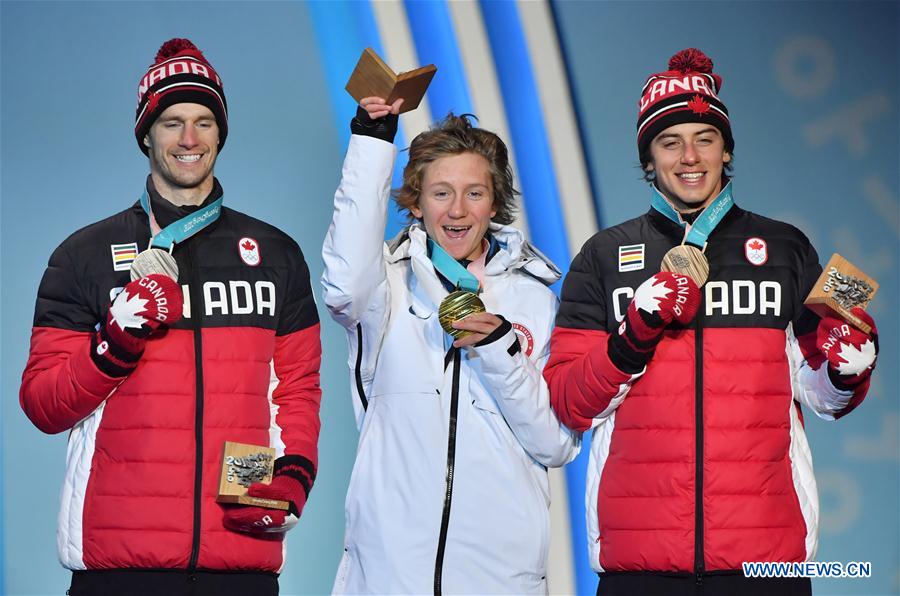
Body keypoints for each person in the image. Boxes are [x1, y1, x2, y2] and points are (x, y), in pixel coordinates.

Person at [544, 48, 879, 596]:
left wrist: (849, 372)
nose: (689, 157)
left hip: (767, 569)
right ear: (648, 159)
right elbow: (567, 401)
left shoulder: (788, 247)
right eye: (669, 142)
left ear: (727, 151)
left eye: (705, 138)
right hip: (640, 569)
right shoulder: (603, 255)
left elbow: (824, 394)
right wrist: (632, 338)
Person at [19, 38, 322, 596]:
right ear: (146, 135)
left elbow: (293, 390)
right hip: (120, 569)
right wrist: (117, 336)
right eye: (172, 122)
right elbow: (43, 403)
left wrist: (293, 472)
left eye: (204, 122)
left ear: (220, 134)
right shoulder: (84, 254)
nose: (189, 139)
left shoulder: (275, 254)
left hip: (239, 562)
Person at [322, 98, 579, 594]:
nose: (457, 210)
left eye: (474, 192)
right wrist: (373, 144)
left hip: (500, 579)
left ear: (495, 202)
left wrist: (503, 351)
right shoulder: (386, 286)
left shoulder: (534, 300)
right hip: (389, 576)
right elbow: (342, 284)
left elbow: (556, 444)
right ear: (416, 202)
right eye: (441, 192)